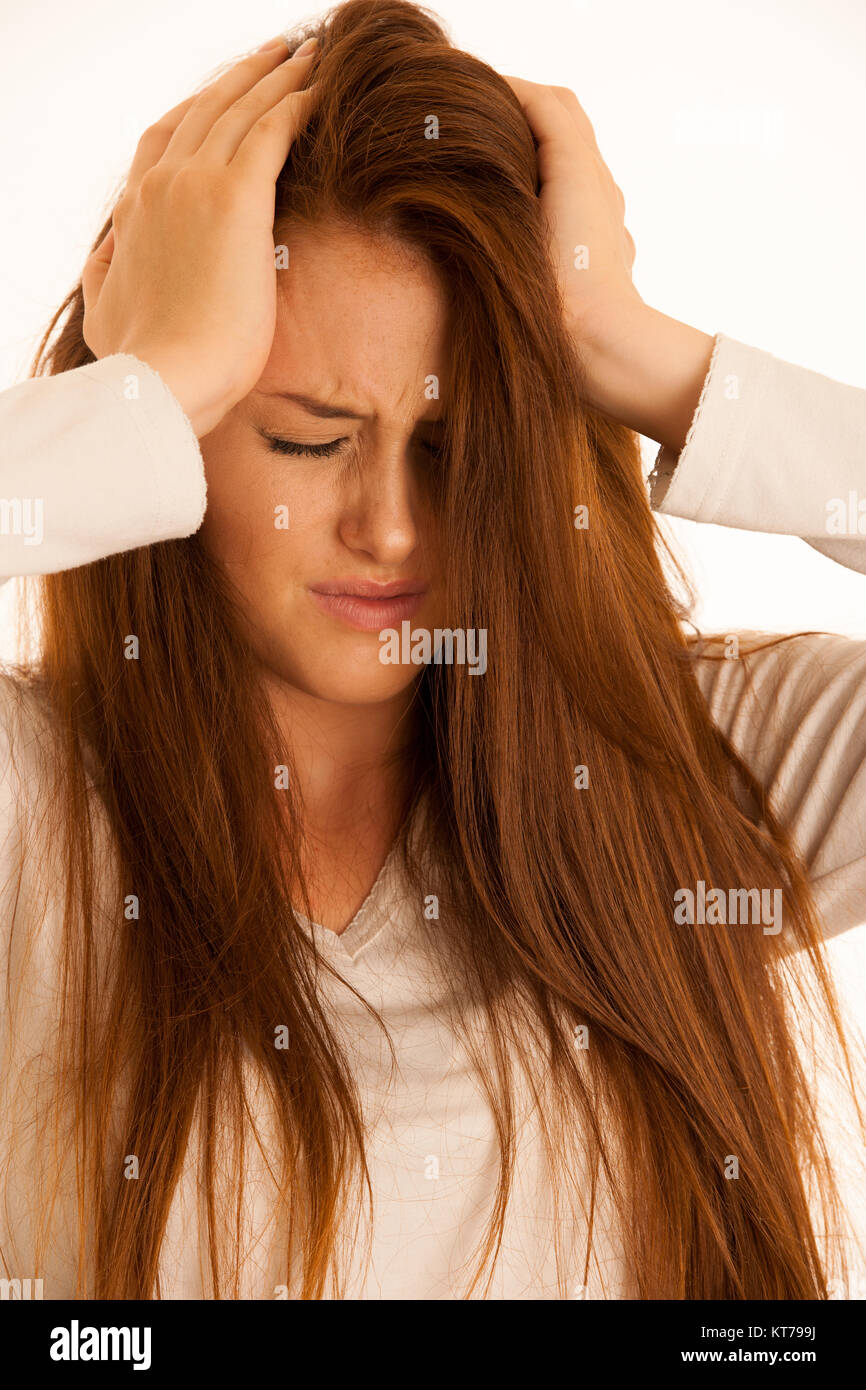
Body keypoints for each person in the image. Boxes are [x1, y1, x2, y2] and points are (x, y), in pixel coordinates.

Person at [1, 0, 864, 1300]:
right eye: (305, 438)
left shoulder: (713, 760)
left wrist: (641, 355)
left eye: (459, 450)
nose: (390, 526)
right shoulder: (29, 811)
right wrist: (153, 377)